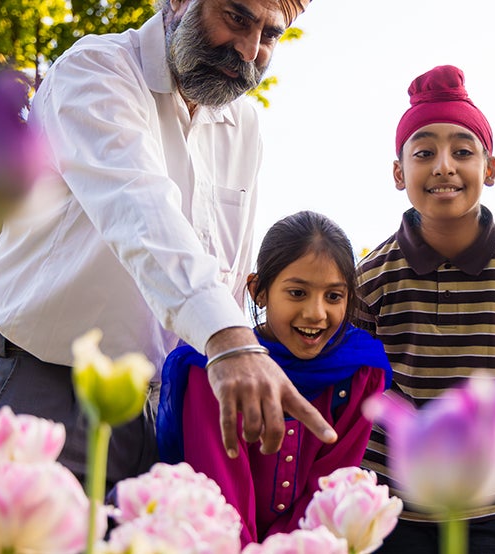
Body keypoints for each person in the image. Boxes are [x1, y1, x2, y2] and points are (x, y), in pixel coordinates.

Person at [0, 0, 336, 492]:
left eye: (270, 34)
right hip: (49, 388)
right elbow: (139, 212)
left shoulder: (243, 127)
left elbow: (226, 268)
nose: (248, 51)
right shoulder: (95, 71)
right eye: (237, 17)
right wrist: (227, 339)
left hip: (171, 406)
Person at [356, 64, 495, 554]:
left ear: (488, 169)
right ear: (398, 171)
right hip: (392, 503)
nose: (444, 166)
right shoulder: (370, 279)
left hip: (494, 507)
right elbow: (360, 389)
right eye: (424, 152)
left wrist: (493, 464)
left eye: (463, 152)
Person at [156, 210, 392, 546]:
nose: (316, 313)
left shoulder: (358, 375)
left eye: (334, 296)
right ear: (258, 291)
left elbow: (329, 494)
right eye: (297, 293)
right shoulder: (217, 372)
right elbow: (218, 492)